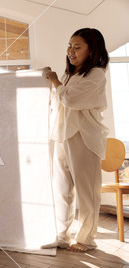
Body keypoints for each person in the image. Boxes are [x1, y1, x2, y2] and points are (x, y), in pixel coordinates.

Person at [44, 28, 109, 252]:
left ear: (92, 51)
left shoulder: (97, 75)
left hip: (84, 137)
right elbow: (58, 100)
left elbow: (71, 100)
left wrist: (54, 81)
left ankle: (86, 239)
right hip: (63, 135)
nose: (71, 51)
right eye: (69, 46)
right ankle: (62, 236)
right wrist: (53, 81)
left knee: (87, 191)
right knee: (62, 189)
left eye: (77, 47)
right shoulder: (68, 76)